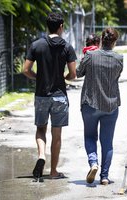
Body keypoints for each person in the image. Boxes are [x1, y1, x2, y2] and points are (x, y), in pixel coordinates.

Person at [23, 12, 77, 180]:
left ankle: (41, 156)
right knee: (57, 134)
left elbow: (25, 69)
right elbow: (73, 73)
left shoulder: (36, 45)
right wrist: (64, 78)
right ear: (61, 26)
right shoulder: (67, 47)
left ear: (47, 26)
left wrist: (37, 77)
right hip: (60, 96)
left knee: (40, 129)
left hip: (41, 95)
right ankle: (53, 171)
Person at [76, 28, 123, 185]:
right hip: (111, 105)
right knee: (107, 142)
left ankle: (93, 162)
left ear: (101, 40)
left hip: (90, 103)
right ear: (115, 42)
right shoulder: (119, 58)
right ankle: (104, 176)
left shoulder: (90, 56)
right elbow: (117, 76)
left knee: (90, 136)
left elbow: (78, 73)